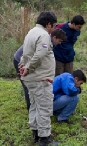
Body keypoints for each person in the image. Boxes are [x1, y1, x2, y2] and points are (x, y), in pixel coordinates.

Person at [19, 11, 58, 146]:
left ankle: (35, 133)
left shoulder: (31, 32)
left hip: (31, 79)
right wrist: (28, 67)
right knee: (44, 108)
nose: (53, 29)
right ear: (48, 24)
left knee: (34, 106)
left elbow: (25, 53)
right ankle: (44, 138)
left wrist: (22, 66)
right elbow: (40, 54)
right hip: (40, 78)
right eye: (53, 26)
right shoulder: (43, 35)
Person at [13, 28, 67, 112]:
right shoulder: (45, 41)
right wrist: (26, 67)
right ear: (55, 37)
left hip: (27, 60)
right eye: (59, 41)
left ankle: (35, 107)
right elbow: (38, 56)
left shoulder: (48, 40)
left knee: (33, 82)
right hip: (20, 59)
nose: (59, 43)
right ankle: (31, 108)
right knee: (28, 84)